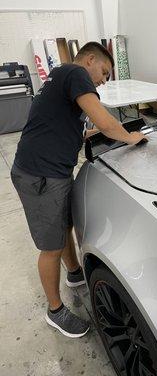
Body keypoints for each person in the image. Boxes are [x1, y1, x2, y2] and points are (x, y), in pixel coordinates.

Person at [11, 41, 145, 338]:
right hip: (39, 174)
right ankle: (55, 311)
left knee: (65, 224)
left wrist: (97, 131)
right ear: (90, 60)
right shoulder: (75, 73)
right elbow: (106, 120)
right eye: (104, 72)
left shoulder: (61, 76)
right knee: (50, 246)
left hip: (50, 170)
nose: (103, 80)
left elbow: (74, 127)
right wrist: (130, 137)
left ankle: (73, 273)